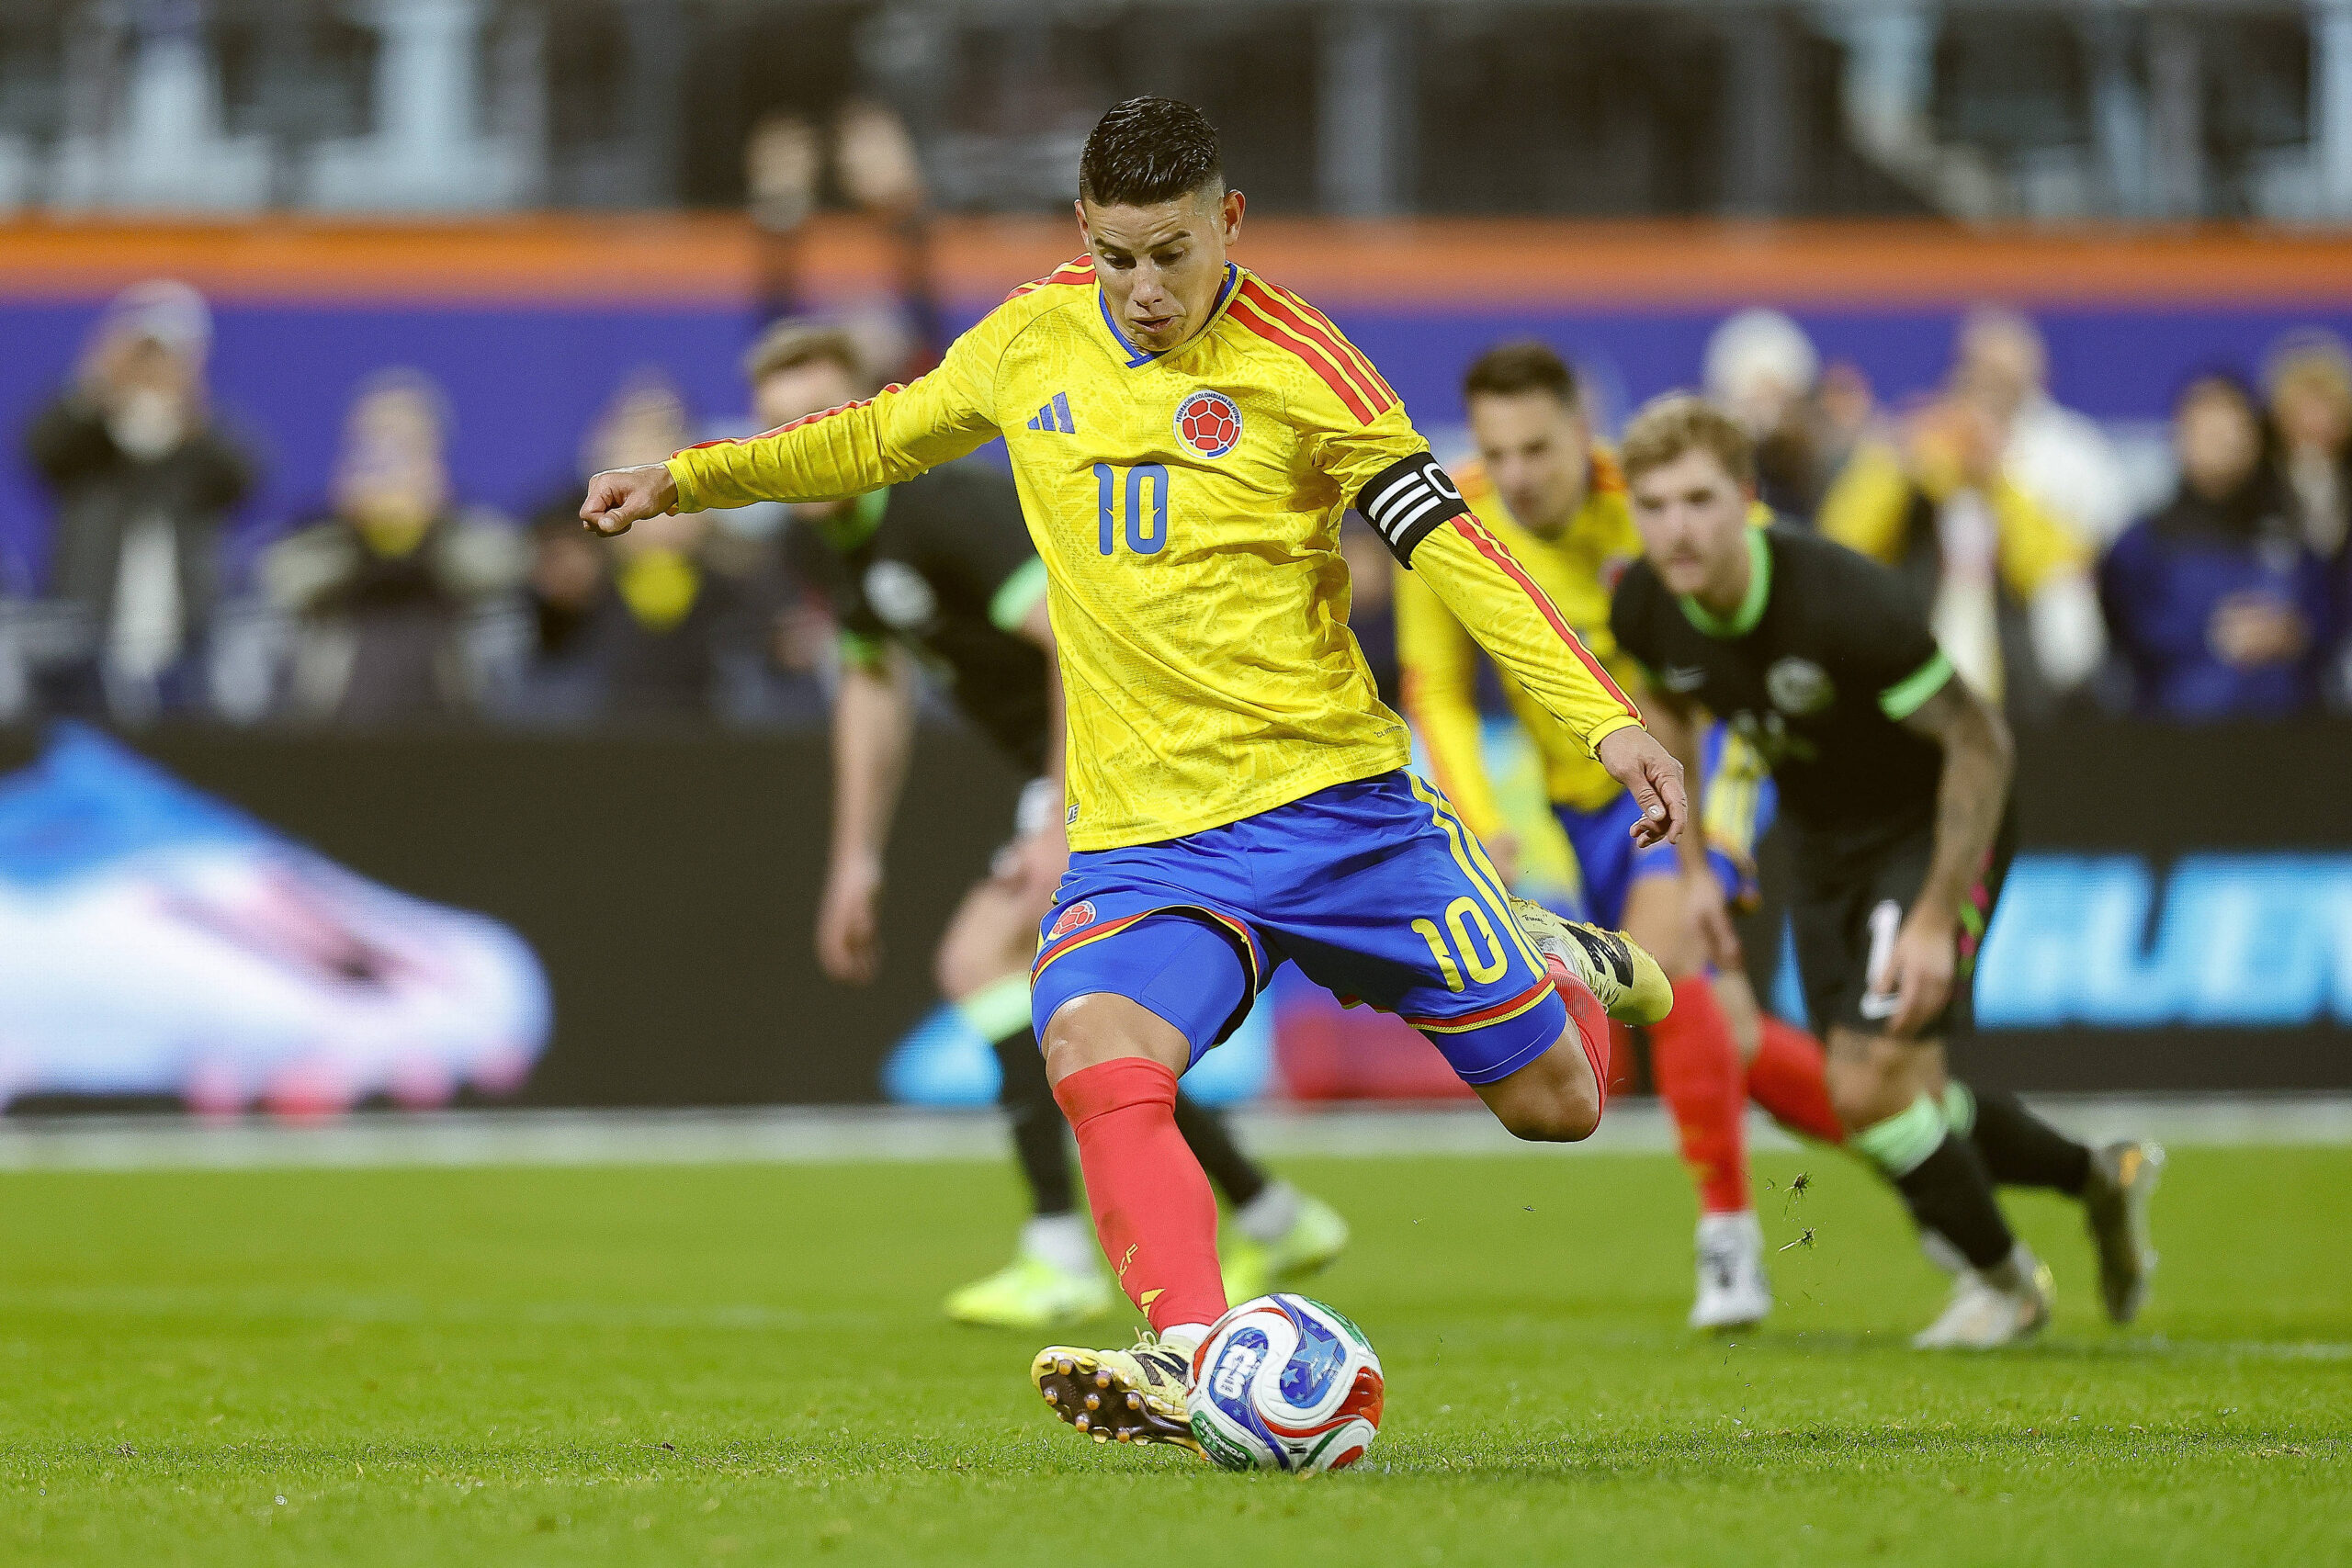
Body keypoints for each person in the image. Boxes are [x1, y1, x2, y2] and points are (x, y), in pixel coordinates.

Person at [584, 96, 1688, 1455]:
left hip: (1342, 816)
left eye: (1170, 252)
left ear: (1229, 221)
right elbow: (870, 437)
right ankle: (1192, 1352)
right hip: (1148, 839)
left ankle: (1546, 956)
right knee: (1093, 1043)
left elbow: (1450, 546)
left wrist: (1602, 717)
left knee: (1559, 1105)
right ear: (1082, 235)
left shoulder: (1309, 367)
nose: (1144, 289)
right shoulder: (1028, 338)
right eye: (1116, 256)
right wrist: (682, 482)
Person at [741, 318, 1349, 1327]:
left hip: (1140, 746)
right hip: (1098, 765)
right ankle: (1271, 1212)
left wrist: (1063, 817)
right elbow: (873, 693)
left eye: (816, 419)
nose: (796, 448)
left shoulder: (944, 510)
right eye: (774, 429)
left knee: (980, 961)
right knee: (1084, 1021)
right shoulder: (828, 534)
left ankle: (1060, 1250)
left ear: (869, 413)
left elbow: (1073, 643)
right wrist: (854, 859)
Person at [1610, 393, 2162, 1350]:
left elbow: (1979, 740)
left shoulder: (1841, 599)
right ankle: (2095, 1178)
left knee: (1866, 1090)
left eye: (1698, 500)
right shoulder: (1645, 605)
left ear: (1745, 499)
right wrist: (1694, 868)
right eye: (1653, 506)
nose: (1677, 528)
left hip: (1930, 827)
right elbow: (1672, 718)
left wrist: (1934, 914)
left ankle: (2007, 1286)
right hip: (1823, 845)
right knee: (1888, 1094)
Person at [1396, 341, 1842, 1329]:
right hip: (1575, 809)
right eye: (1497, 451)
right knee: (1718, 1033)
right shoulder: (1447, 520)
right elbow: (1437, 689)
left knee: (1662, 972)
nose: (1515, 475)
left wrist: (1716, 835)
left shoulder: (1660, 508)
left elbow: (1755, 675)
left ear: (1582, 433)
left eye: (1536, 450)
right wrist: (1484, 822)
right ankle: (1923, 1142)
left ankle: (1727, 1244)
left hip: (1699, 776)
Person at [23, 279, 257, 721]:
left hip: (186, 645)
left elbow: (244, 480)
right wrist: (98, 385)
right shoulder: (88, 438)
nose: (150, 367)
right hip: (87, 640)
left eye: (163, 354)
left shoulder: (199, 440)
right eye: (142, 352)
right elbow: (40, 451)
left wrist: (189, 407)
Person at [262, 370, 522, 724]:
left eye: (405, 450)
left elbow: (499, 569)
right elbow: (287, 582)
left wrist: (427, 529)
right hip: (338, 734)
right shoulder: (320, 537)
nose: (390, 470)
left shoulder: (464, 531)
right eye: (375, 450)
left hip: (452, 734)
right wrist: (357, 535)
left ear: (434, 461)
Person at [2100, 375, 2335, 720]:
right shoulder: (2143, 542)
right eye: (2209, 431)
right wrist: (2213, 634)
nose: (2223, 443)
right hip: (2175, 740)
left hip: (2289, 737)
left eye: (2234, 431)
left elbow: (2327, 619)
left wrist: (2292, 632)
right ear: (2181, 436)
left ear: (2255, 441)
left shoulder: (2291, 536)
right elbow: (2126, 633)